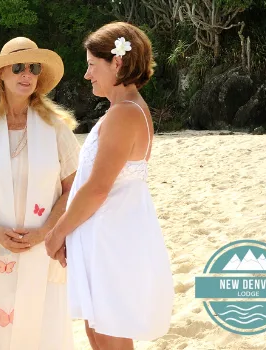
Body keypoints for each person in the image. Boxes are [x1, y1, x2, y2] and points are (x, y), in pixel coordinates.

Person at [44, 22, 174, 350]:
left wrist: (57, 232)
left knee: (108, 332)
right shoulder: (122, 110)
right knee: (98, 331)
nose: (87, 75)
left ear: (116, 63)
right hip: (105, 235)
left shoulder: (124, 114)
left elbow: (98, 188)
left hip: (110, 238)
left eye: (91, 65)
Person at [0, 37, 79, 349]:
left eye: (33, 68)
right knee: (2, 337)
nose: (27, 74)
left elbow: (72, 189)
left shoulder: (57, 128)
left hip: (44, 247)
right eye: (18, 66)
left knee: (46, 334)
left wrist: (45, 231)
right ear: (1, 75)